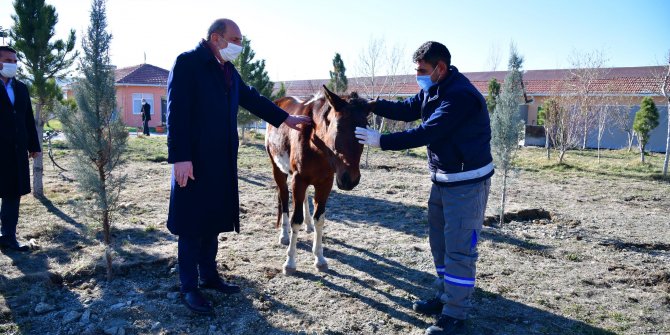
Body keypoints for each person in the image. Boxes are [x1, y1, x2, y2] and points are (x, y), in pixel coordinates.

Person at [166, 18, 311, 315]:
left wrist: (286, 119)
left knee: (212, 220)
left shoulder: (228, 71)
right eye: (235, 39)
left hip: (220, 161)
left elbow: (254, 100)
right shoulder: (188, 63)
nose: (240, 46)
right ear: (216, 38)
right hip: (192, 161)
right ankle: (189, 287)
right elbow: (176, 113)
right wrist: (180, 157)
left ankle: (209, 275)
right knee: (192, 225)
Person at [355, 41, 493, 335]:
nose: (419, 76)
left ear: (440, 68)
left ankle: (455, 316)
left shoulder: (460, 96)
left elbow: (428, 131)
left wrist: (382, 141)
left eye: (422, 71)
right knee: (440, 245)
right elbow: (408, 109)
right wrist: (374, 105)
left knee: (459, 251)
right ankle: (445, 298)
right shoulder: (436, 88)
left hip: (466, 184)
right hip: (443, 180)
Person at [0, 46, 41, 252]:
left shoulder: (21, 88)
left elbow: (27, 119)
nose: (12, 64)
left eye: (15, 61)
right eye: (8, 60)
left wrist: (34, 145)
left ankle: (8, 237)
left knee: (12, 193)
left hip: (15, 151)